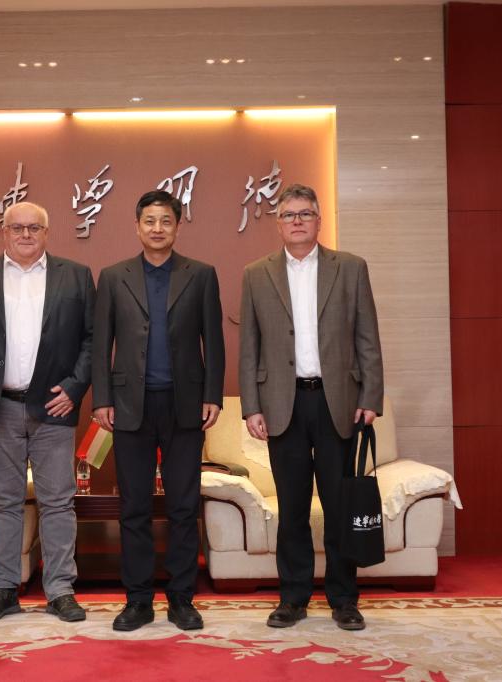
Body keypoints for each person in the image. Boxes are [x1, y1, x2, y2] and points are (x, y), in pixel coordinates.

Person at [0, 201, 95, 624]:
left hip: (54, 407)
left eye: (34, 228)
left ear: (47, 232)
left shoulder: (76, 276)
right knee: (5, 502)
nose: (25, 234)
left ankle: (60, 591)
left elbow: (93, 339)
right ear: (3, 232)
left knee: (58, 503)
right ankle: (3, 589)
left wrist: (75, 388)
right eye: (17, 228)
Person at [239, 183, 383, 631]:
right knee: (293, 508)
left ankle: (344, 599)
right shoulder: (256, 274)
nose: (297, 221)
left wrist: (371, 397)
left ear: (319, 221)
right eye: (289, 215)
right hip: (282, 405)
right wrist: (252, 406)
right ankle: (293, 597)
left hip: (337, 402)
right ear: (278, 224)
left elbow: (367, 336)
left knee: (339, 507)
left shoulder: (350, 268)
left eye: (305, 214)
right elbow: (249, 347)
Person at [92, 189, 225, 632]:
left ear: (178, 227)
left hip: (185, 405)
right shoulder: (114, 277)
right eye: (149, 220)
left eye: (166, 221)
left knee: (184, 506)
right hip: (130, 405)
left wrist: (212, 395)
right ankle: (138, 600)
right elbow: (101, 343)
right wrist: (102, 399)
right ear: (137, 226)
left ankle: (182, 598)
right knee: (134, 507)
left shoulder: (201, 275)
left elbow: (214, 341)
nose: (157, 228)